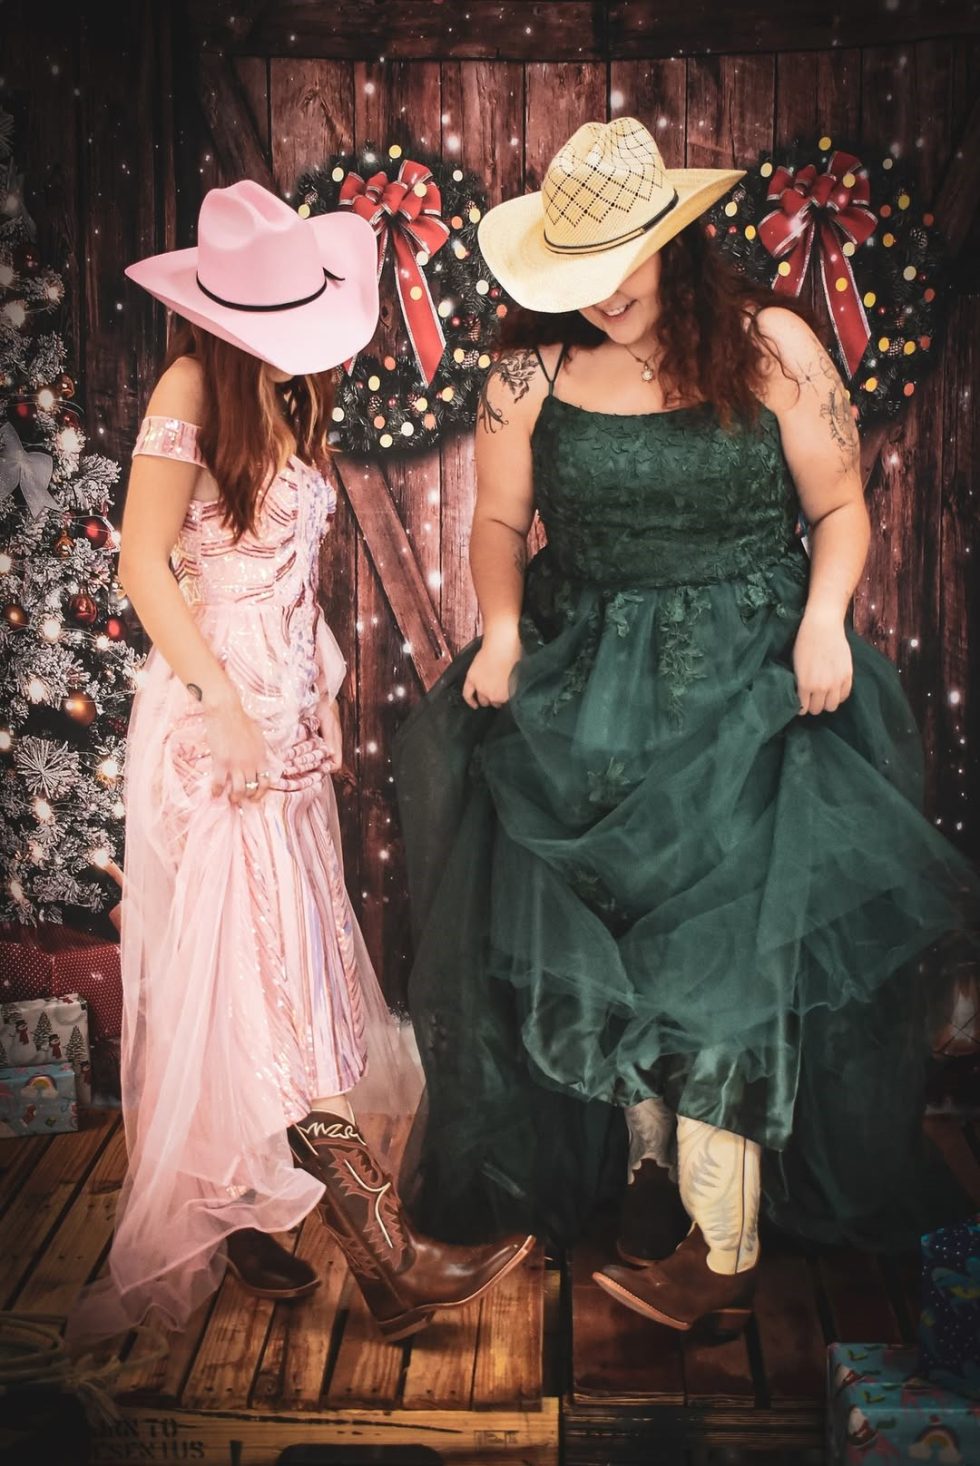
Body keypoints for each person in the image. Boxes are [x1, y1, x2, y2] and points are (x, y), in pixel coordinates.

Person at [393, 118, 978, 1334]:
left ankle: (722, 1251)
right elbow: (496, 524)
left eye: (621, 263)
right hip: (580, 685)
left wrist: (824, 621)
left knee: (723, 956)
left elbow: (838, 506)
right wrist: (497, 631)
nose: (602, 292)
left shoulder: (770, 343)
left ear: (672, 241)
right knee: (608, 942)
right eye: (577, 271)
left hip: (747, 679)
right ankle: (645, 1168)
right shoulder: (525, 374)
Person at [68, 181, 532, 1349]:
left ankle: (242, 1213)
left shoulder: (288, 391)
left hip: (284, 721)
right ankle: (388, 1257)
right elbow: (143, 566)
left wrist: (317, 678)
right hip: (213, 720)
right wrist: (222, 702)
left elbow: (283, 576)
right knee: (264, 974)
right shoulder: (188, 389)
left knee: (291, 965)